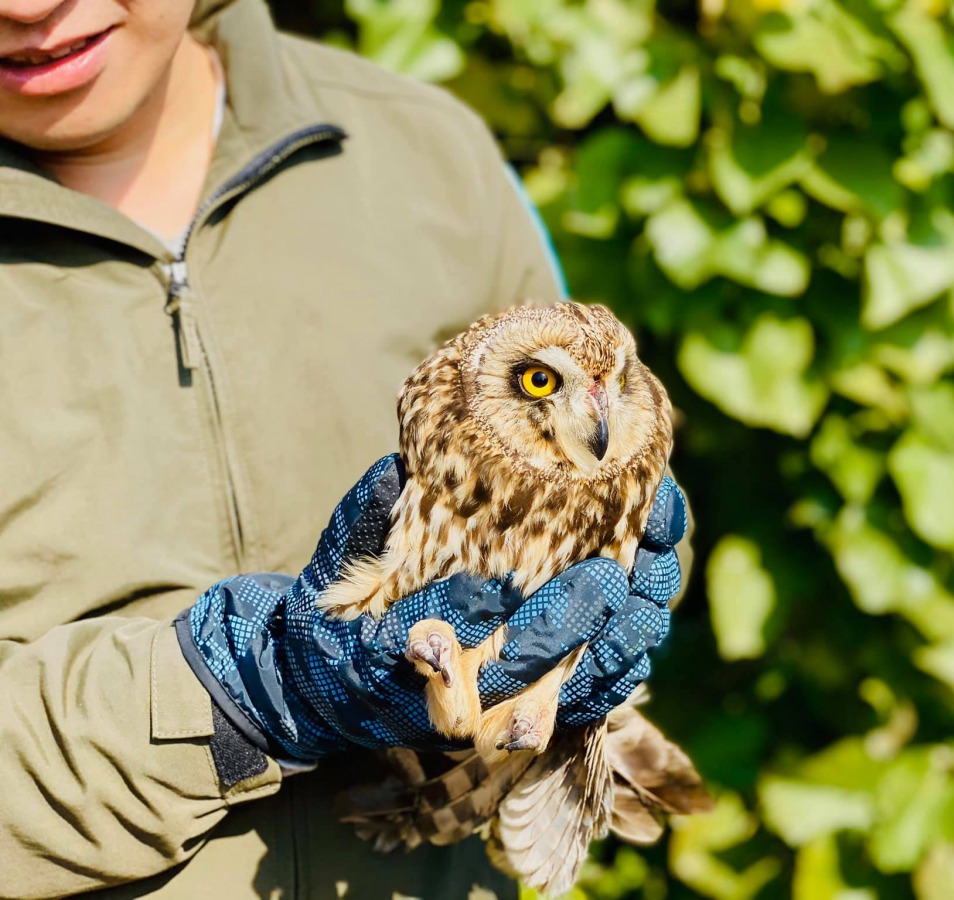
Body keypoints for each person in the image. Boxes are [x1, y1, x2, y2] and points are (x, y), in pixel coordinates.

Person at [0, 0, 691, 897]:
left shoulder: (426, 152)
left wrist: (591, 624)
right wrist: (231, 697)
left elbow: (598, 460)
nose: (29, 4)